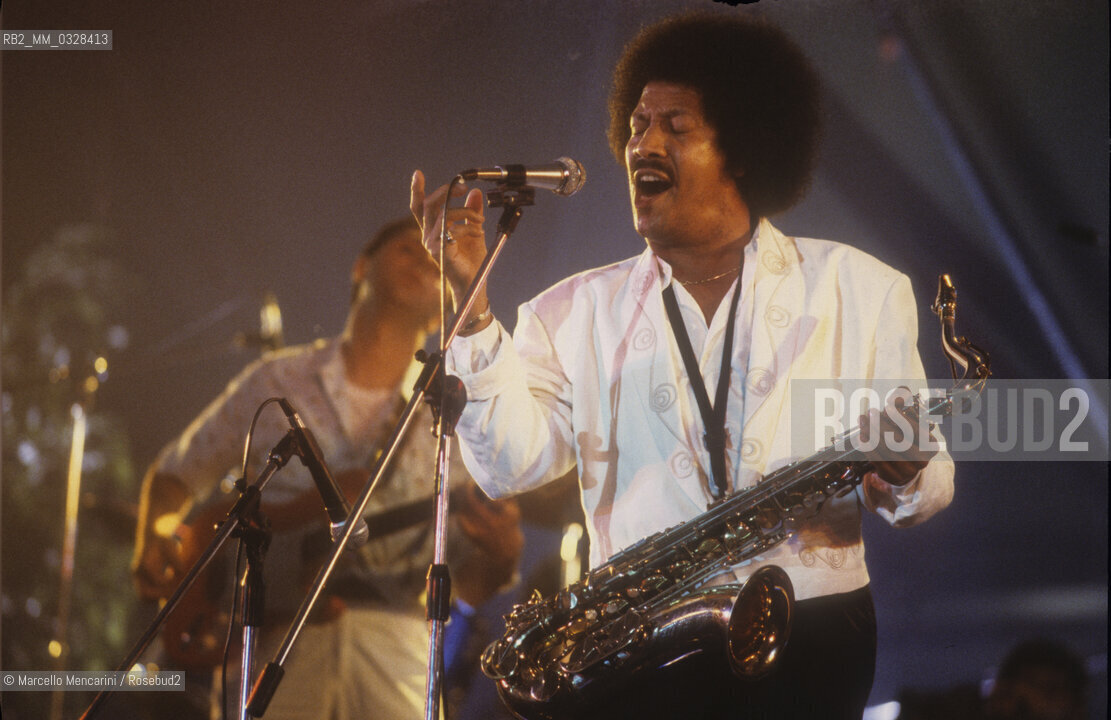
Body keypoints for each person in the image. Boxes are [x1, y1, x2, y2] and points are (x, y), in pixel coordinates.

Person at [410, 12, 953, 719]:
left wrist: (910, 468)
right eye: (635, 124)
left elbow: (930, 486)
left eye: (675, 124)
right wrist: (475, 311)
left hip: (814, 638)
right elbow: (508, 467)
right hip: (639, 649)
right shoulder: (568, 311)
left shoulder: (857, 287)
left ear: (744, 148)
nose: (643, 143)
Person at [131, 218, 523, 720]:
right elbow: (175, 477)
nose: (423, 263)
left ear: (444, 304)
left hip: (398, 645)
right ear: (362, 267)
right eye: (408, 250)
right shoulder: (276, 379)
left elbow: (469, 582)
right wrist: (154, 532)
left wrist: (502, 555)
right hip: (268, 637)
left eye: (434, 264)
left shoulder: (454, 405)